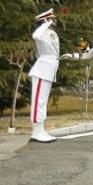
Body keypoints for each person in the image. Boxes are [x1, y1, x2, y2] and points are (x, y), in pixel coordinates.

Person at [28, 8, 60, 143]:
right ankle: (36, 130)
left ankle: (41, 129)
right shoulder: (42, 33)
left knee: (43, 102)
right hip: (42, 71)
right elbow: (35, 35)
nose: (55, 21)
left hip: (48, 71)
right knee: (38, 101)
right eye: (51, 19)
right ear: (46, 20)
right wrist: (45, 24)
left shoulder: (52, 34)